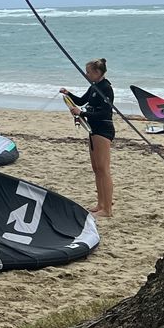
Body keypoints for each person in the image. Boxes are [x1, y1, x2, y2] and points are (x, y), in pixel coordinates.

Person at [60, 58, 115, 217]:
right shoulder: (94, 86)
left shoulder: (106, 88)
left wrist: (82, 113)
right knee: (96, 169)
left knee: (103, 169)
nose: (86, 74)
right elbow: (82, 101)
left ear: (97, 73)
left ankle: (107, 209)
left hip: (103, 129)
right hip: (92, 129)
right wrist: (67, 94)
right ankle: (101, 204)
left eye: (88, 72)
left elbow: (105, 112)